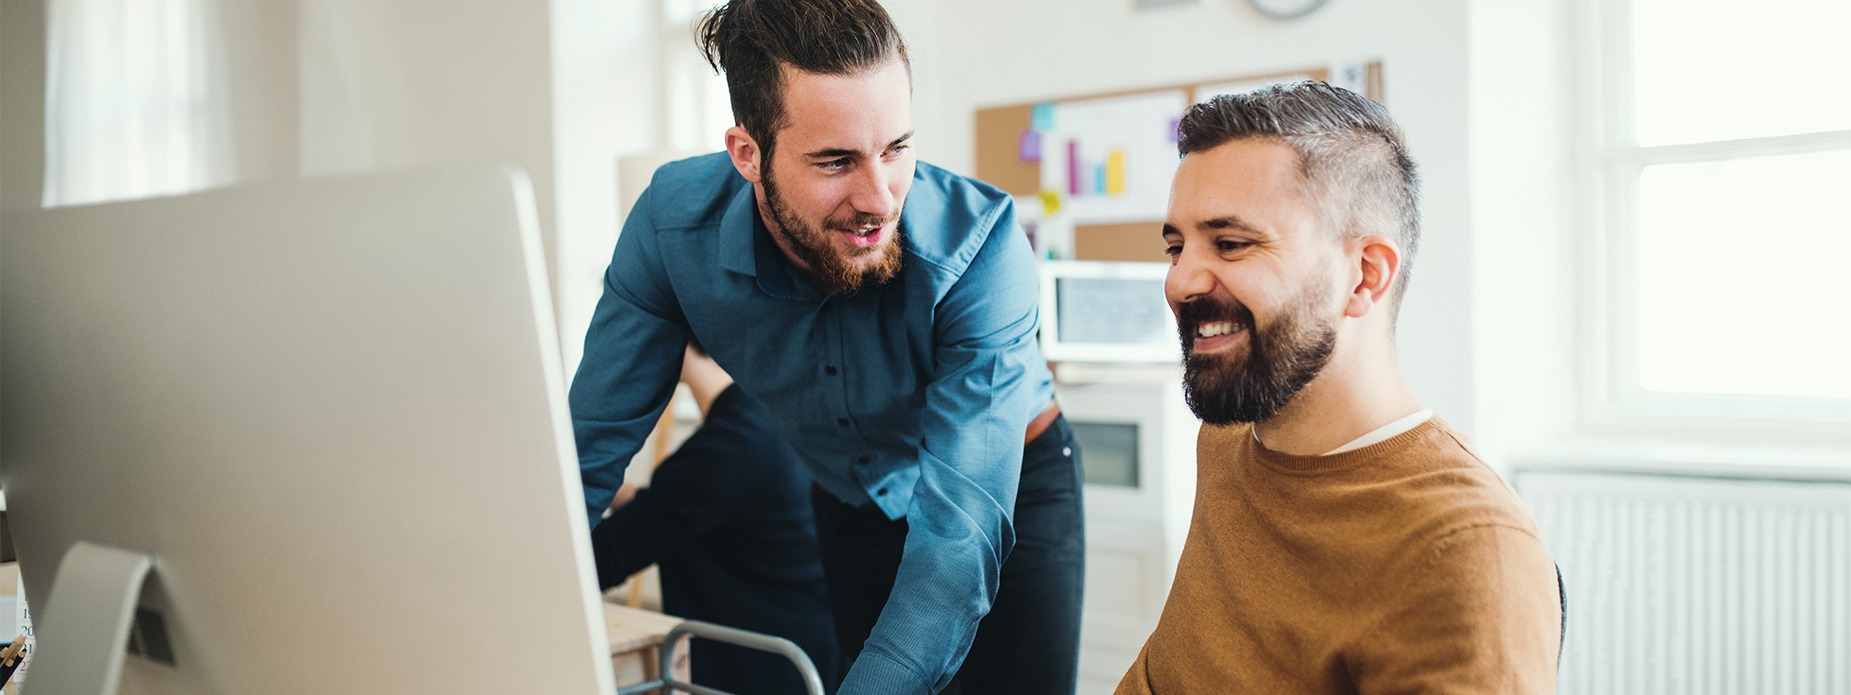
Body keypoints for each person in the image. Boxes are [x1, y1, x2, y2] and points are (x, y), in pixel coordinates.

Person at [566, 1, 1083, 692]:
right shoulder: (670, 231)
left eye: (896, 148)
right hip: (849, 499)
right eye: (836, 161)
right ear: (748, 154)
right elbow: (585, 455)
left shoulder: (979, 246)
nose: (878, 197)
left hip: (1005, 483)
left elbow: (955, 546)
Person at [1116, 81, 1561, 693]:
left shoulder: (1467, 553)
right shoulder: (1228, 434)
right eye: (1176, 246)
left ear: (1364, 275)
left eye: (1231, 244)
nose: (1180, 281)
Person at [590, 343, 841, 694]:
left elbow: (599, 560)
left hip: (763, 676)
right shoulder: (773, 421)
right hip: (812, 661)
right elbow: (687, 508)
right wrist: (616, 492)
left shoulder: (731, 447)